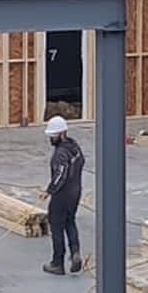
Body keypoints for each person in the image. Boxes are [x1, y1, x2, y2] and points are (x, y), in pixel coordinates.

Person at [38, 115, 85, 275]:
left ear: (61, 134)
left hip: (62, 195)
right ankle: (75, 253)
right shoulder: (75, 147)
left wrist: (49, 191)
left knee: (56, 226)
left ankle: (57, 263)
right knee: (70, 222)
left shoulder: (60, 153)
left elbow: (60, 174)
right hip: (75, 192)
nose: (51, 138)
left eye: (53, 135)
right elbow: (81, 162)